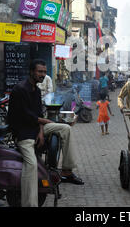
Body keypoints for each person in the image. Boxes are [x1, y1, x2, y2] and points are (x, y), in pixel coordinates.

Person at [7, 59, 84, 207]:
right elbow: (25, 116)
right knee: (31, 165)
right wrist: (44, 122)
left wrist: (42, 131)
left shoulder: (36, 90)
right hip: (23, 133)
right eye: (40, 71)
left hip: (36, 128)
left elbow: (38, 115)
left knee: (65, 128)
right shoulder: (20, 89)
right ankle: (30, 204)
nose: (43, 74)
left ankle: (67, 170)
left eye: (44, 72)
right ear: (31, 72)